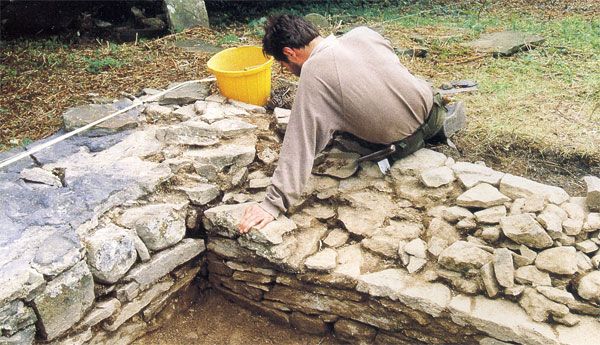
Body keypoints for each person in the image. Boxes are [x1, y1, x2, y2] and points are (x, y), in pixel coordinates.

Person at [238, 14, 465, 233]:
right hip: (434, 113)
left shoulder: (313, 71)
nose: (286, 70)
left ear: (289, 52)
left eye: (283, 64)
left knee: (335, 137)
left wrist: (273, 203)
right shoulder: (363, 33)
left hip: (405, 142)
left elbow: (301, 141)